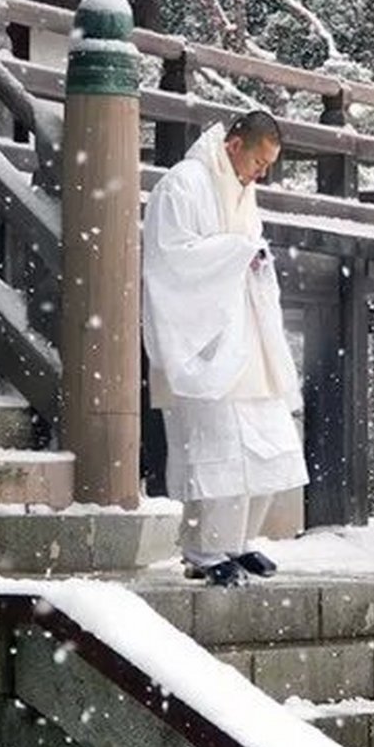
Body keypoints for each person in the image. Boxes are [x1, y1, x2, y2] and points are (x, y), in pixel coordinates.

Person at [142, 110, 308, 587]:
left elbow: (242, 249)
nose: (263, 172)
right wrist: (237, 252)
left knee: (264, 444)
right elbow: (171, 261)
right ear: (235, 145)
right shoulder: (184, 184)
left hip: (246, 333)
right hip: (206, 341)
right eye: (259, 160)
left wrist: (250, 258)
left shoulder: (241, 187)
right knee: (218, 450)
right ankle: (202, 548)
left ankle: (236, 542)